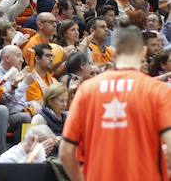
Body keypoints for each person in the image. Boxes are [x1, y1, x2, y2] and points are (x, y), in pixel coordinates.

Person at [60, 25, 171, 181]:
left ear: (114, 53)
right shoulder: (158, 90)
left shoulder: (87, 90)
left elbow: (65, 152)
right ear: (144, 52)